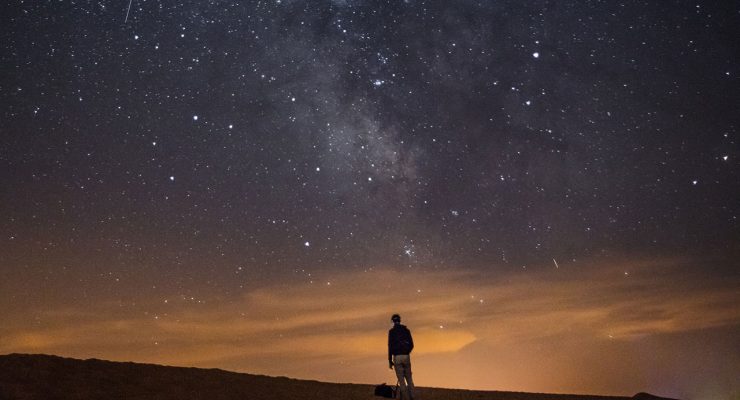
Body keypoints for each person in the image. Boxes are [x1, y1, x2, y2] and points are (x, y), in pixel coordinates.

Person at [388, 314, 414, 400]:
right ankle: (412, 397)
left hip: (397, 357)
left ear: (393, 321)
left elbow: (390, 347)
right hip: (406, 356)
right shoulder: (406, 330)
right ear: (400, 320)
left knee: (401, 381)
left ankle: (405, 398)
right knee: (409, 379)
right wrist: (407, 352)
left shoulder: (391, 332)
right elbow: (412, 345)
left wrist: (390, 360)